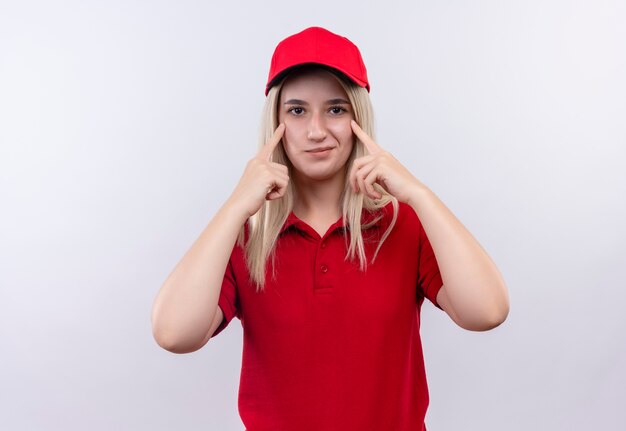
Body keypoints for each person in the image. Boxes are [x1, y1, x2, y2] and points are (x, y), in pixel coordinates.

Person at [151, 26, 510, 431]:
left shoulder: (402, 223)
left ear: (358, 117)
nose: (316, 131)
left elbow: (488, 311)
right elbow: (173, 333)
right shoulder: (245, 236)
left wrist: (419, 194)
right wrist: (236, 204)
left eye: (336, 109)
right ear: (276, 122)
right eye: (297, 111)